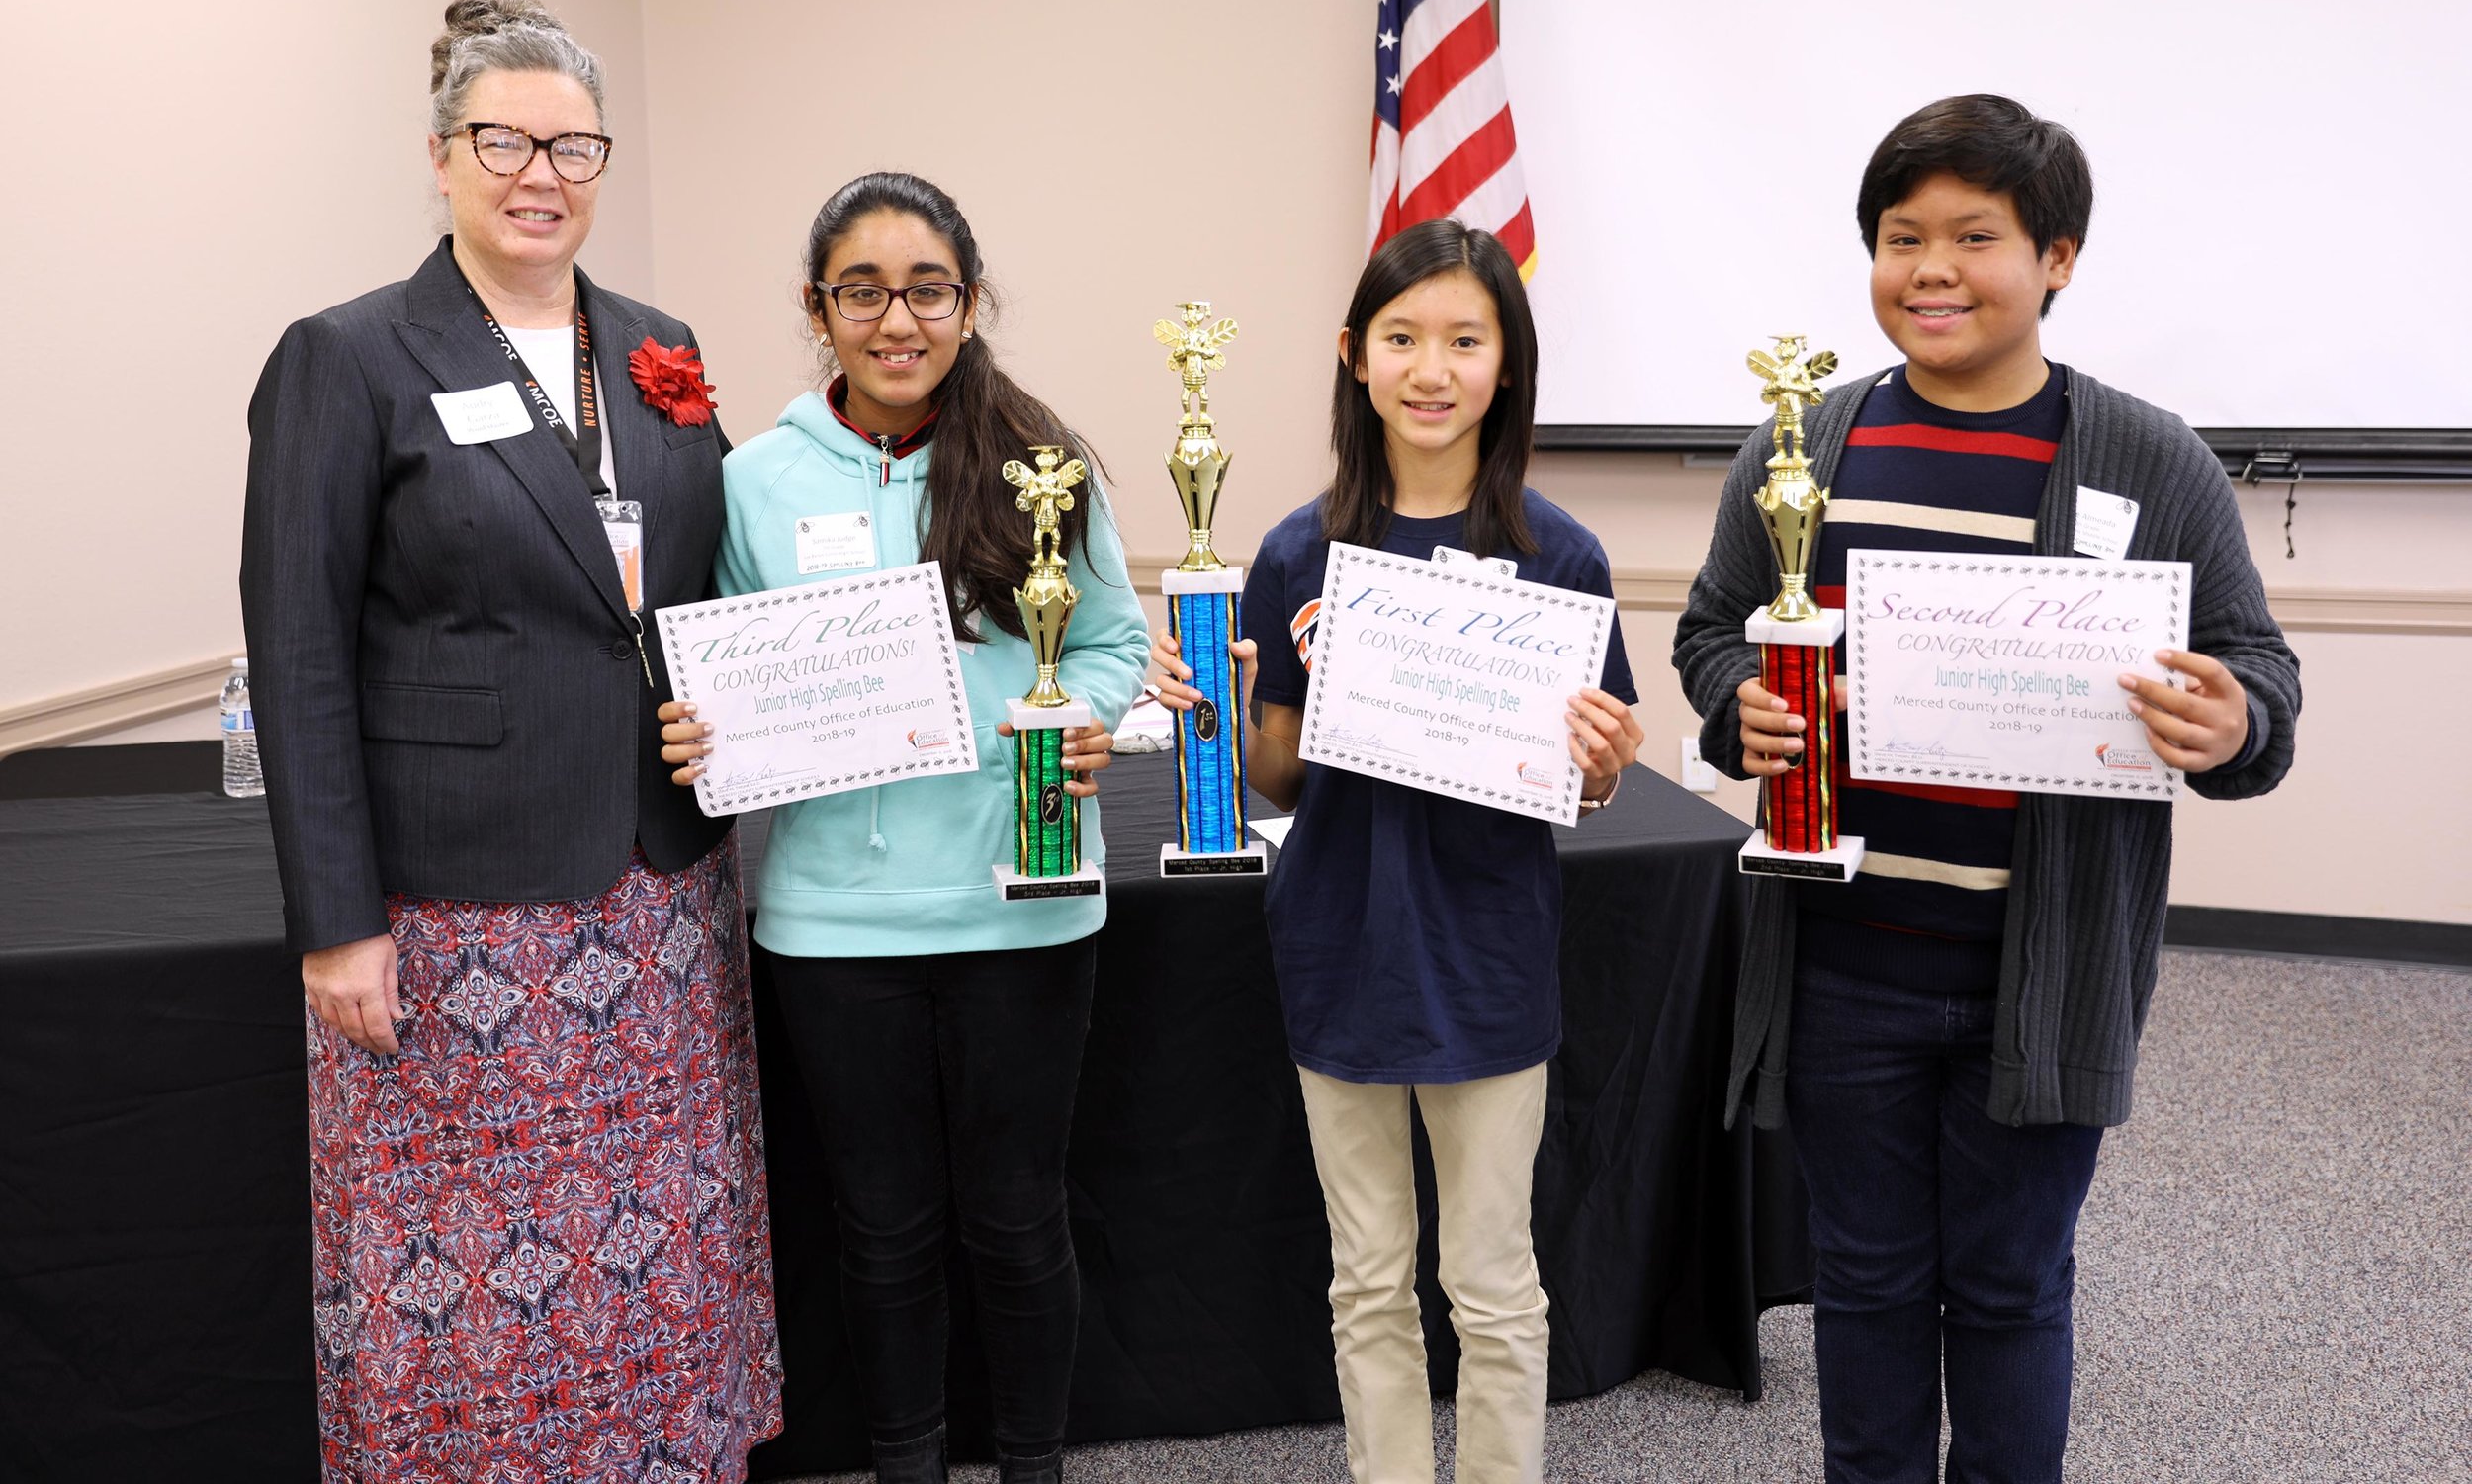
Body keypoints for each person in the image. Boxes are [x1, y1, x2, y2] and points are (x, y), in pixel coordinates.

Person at [1672, 93, 2302, 1484]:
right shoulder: (1808, 450)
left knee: (2012, 1290)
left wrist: (2231, 717)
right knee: (1868, 1287)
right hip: (1842, 962)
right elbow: (1714, 631)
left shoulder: (2150, 456)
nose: (1933, 270)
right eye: (1903, 239)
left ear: (2057, 259)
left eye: (1976, 236)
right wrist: (1743, 707)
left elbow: (2261, 672)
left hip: (2045, 971)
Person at [240, 0, 782, 1484]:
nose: (542, 173)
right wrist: (336, 926)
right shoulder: (347, 358)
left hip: (659, 891)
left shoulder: (657, 345)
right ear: (440, 156)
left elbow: (694, 583)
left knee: (654, 1232)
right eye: (505, 141)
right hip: (455, 914)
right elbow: (297, 658)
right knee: (475, 1260)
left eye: (575, 145)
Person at [659, 172, 1149, 1484]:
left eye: (926, 289)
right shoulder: (752, 480)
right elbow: (718, 670)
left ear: (970, 301)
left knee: (1018, 1216)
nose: (896, 319)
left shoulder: (1041, 463)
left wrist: (1085, 717)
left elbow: (1109, 645)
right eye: (861, 291)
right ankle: (907, 1467)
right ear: (819, 311)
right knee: (879, 1227)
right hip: (833, 921)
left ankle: (1035, 1465)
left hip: (1024, 896)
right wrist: (704, 727)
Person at [1151, 218, 1643, 1484]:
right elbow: (1275, 774)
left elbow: (1584, 791)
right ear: (1354, 359)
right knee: (1365, 1281)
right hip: (1339, 950)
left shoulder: (1561, 557)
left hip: (1486, 957)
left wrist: (1599, 764)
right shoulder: (1290, 552)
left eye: (1465, 341)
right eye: (1403, 338)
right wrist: (1219, 698)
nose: (1432, 369)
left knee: (1490, 1283)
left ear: (1506, 366)